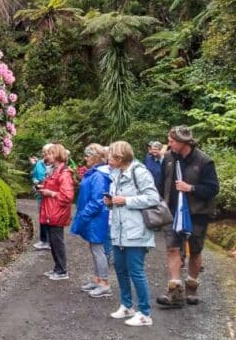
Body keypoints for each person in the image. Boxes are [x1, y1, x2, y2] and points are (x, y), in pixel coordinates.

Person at [156, 125, 220, 308]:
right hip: (172, 212)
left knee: (195, 250)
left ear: (184, 143)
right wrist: (160, 202)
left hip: (197, 213)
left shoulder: (204, 161)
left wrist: (190, 188)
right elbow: (161, 183)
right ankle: (174, 290)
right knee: (172, 249)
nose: (168, 144)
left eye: (171, 141)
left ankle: (191, 285)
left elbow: (213, 189)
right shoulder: (168, 158)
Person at [105, 140, 160, 326]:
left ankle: (145, 313)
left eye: (110, 157)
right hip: (119, 231)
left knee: (136, 271)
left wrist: (125, 200)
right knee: (120, 268)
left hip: (136, 231)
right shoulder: (117, 173)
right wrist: (111, 202)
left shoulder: (140, 172)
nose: (108, 160)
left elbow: (153, 198)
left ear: (120, 158)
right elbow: (120, 200)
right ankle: (127, 305)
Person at [70, 144, 112, 297]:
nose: (85, 158)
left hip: (97, 218)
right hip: (93, 217)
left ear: (95, 157)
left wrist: (83, 215)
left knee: (99, 250)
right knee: (95, 249)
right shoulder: (95, 173)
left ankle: (105, 283)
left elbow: (97, 200)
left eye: (88, 156)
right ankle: (97, 279)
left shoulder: (99, 175)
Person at [38, 143, 75, 280]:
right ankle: (57, 268)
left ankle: (62, 271)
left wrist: (50, 193)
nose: (48, 156)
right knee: (53, 241)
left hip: (57, 211)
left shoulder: (64, 173)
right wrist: (43, 187)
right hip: (51, 210)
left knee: (57, 241)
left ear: (58, 155)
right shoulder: (54, 170)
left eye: (51, 153)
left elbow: (67, 196)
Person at [30, 146, 51, 250]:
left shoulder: (54, 165)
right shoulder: (39, 163)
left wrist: (43, 182)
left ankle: (51, 241)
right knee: (42, 217)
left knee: (51, 218)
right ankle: (43, 240)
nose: (44, 154)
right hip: (40, 194)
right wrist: (35, 180)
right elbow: (34, 175)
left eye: (46, 152)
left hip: (50, 195)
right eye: (43, 152)